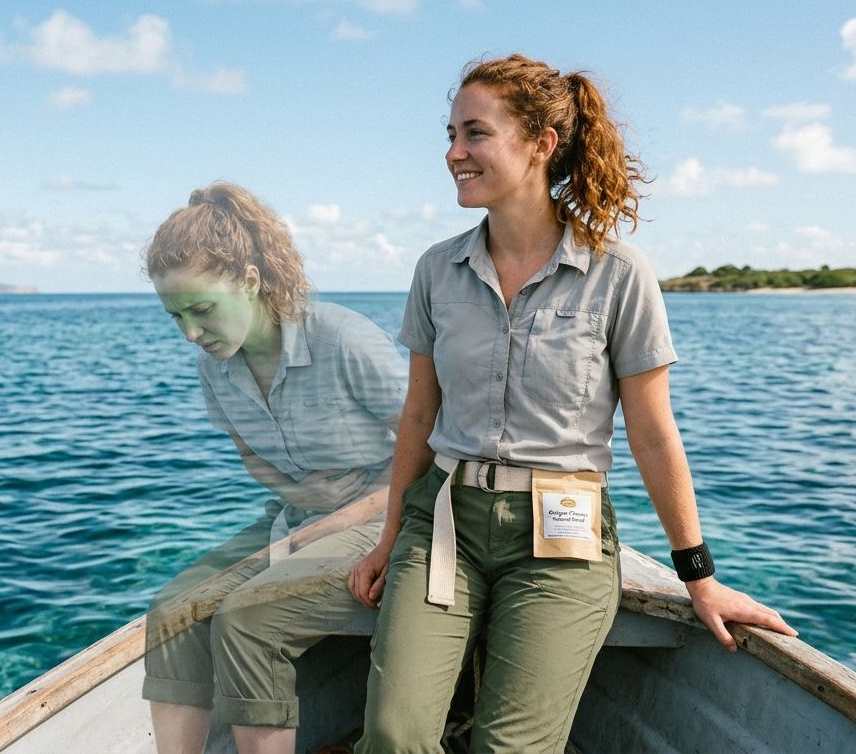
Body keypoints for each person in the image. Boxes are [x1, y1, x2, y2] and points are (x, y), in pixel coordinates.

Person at [347, 54, 798, 752]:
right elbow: (417, 415)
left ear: (540, 144)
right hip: (444, 526)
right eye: (451, 134)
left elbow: (653, 435)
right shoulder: (436, 269)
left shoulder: (619, 275)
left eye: (474, 133)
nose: (453, 153)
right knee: (391, 733)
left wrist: (699, 577)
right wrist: (386, 541)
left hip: (562, 536)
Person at [142, 181, 407, 754]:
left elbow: (430, 447)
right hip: (295, 515)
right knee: (173, 612)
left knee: (244, 617)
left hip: (391, 515)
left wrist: (346, 512)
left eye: (203, 310)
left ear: (251, 281)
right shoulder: (214, 367)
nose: (191, 333)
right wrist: (307, 498)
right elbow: (250, 453)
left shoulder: (344, 339)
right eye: (176, 316)